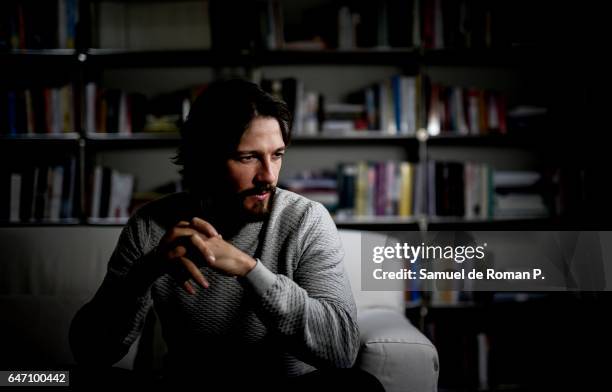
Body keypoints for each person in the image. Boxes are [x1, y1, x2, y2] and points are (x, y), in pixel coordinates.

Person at [69, 79, 383, 390]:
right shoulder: (151, 225)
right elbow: (90, 353)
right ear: (205, 158)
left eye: (277, 155)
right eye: (248, 157)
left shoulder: (306, 220)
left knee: (357, 386)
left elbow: (341, 351)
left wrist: (249, 269)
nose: (268, 176)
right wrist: (145, 273)